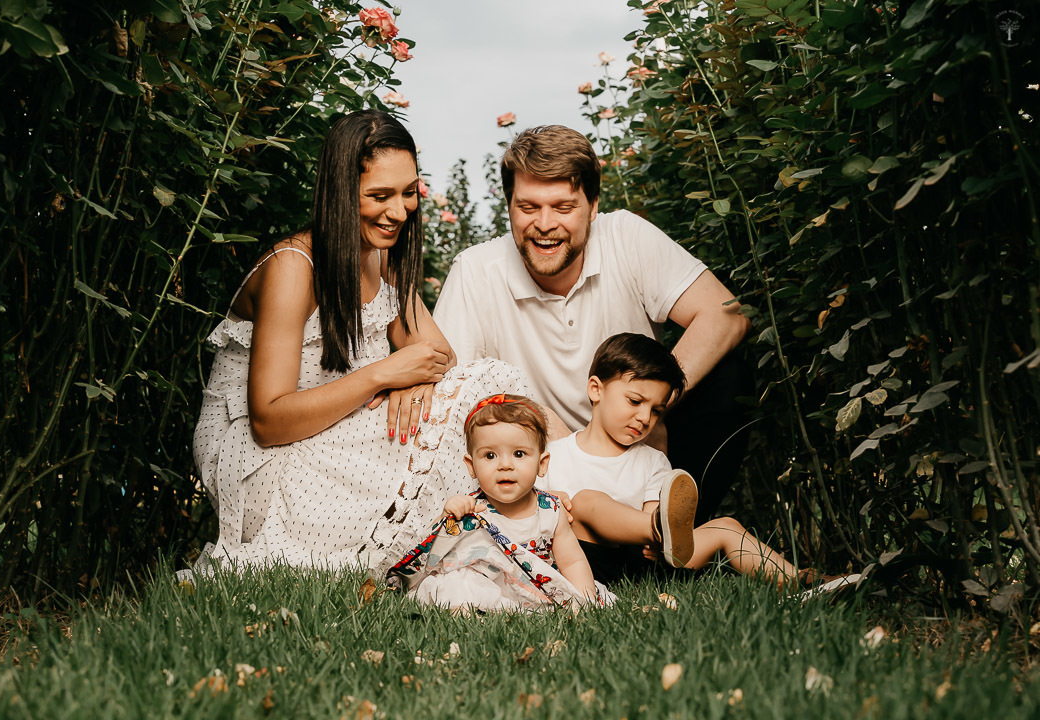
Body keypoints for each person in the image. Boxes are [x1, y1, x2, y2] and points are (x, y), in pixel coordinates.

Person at [192, 110, 528, 571]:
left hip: (337, 428)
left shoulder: (380, 253)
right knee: (467, 412)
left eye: (409, 193)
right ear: (340, 193)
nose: (398, 211)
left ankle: (521, 530)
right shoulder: (293, 267)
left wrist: (413, 381)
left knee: (484, 388)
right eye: (379, 195)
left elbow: (440, 358)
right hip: (257, 459)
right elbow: (267, 422)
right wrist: (384, 375)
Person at [434, 125, 753, 525]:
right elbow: (450, 390)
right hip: (548, 472)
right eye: (528, 207)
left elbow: (726, 315)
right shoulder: (476, 270)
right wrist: (558, 438)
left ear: (593, 206)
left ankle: (676, 533)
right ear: (509, 205)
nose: (544, 224)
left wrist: (652, 409)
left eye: (564, 207)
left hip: (646, 450)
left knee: (729, 377)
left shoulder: (626, 236)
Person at [543, 333, 809, 589]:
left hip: (643, 563)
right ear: (595, 390)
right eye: (635, 401)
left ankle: (806, 581)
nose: (645, 418)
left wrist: (658, 541)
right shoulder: (553, 456)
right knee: (586, 501)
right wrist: (548, 501)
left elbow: (656, 514)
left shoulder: (652, 461)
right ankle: (658, 529)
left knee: (725, 527)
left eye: (657, 411)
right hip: (583, 563)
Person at [388, 394, 599, 610]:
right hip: (484, 586)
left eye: (519, 454)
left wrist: (586, 600)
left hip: (533, 590)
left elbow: (573, 562)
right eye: (490, 456)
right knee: (457, 582)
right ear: (471, 466)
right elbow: (433, 551)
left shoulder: (551, 510)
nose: (505, 465)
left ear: (542, 463)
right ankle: (469, 613)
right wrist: (448, 517)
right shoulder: (473, 508)